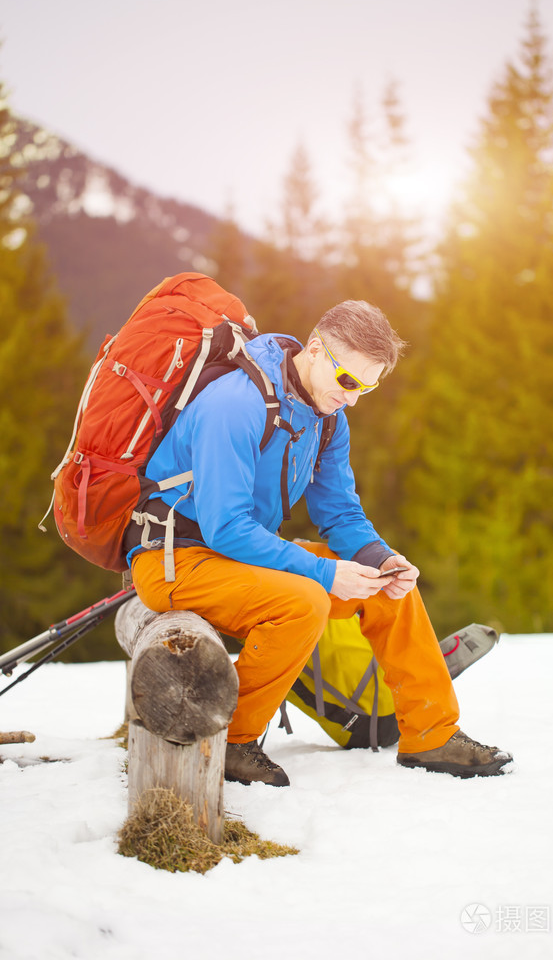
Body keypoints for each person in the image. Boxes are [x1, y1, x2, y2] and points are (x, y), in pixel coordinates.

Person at [127, 300, 512, 786]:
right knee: (304, 600)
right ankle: (234, 741)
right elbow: (226, 526)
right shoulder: (236, 403)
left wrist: (380, 558)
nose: (354, 398)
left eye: (367, 387)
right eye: (349, 380)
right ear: (314, 351)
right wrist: (328, 574)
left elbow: (340, 512)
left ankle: (431, 735)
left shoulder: (328, 419)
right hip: (176, 559)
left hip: (240, 555)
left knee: (387, 585)